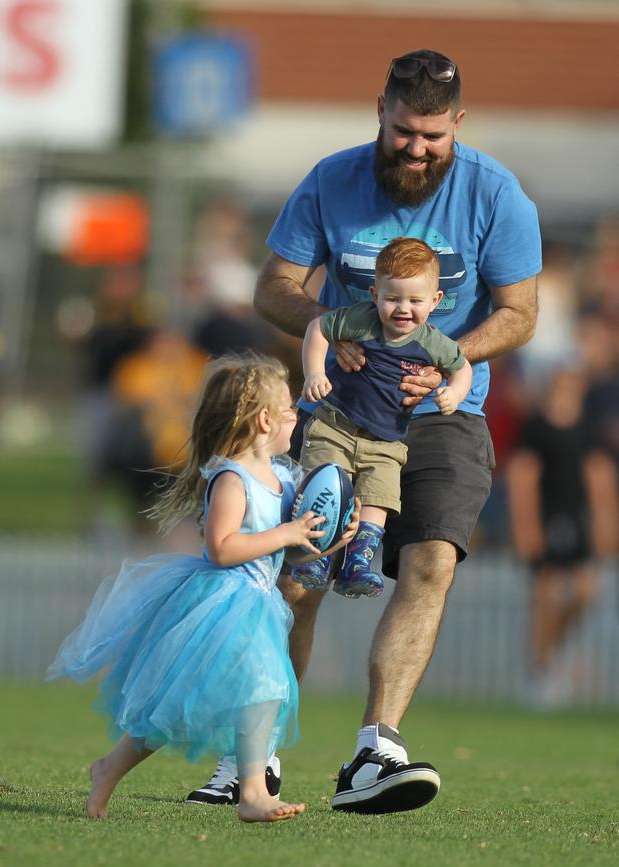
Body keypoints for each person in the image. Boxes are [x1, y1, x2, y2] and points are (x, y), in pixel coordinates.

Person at [226, 46, 539, 814]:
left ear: (457, 124)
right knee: (300, 572)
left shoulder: (496, 195)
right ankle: (258, 758)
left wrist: (450, 360)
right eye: (405, 130)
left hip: (442, 413)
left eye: (434, 135)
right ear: (382, 111)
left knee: (432, 560)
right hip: (339, 413)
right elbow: (273, 287)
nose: (417, 148)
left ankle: (376, 749)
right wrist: (330, 330)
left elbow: (520, 312)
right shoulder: (332, 180)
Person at [48, 353, 358, 823]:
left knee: (265, 690)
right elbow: (222, 548)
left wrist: (330, 538)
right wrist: (287, 534)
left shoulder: (285, 478)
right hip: (221, 603)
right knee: (174, 708)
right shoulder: (231, 479)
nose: (298, 414)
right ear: (264, 420)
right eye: (290, 409)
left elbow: (289, 553)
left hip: (259, 604)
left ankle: (252, 792)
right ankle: (109, 769)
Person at [293, 237, 472, 598]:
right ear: (375, 295)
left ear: (435, 301)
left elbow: (462, 366)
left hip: (386, 442)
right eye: (393, 298)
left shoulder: (432, 342)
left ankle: (356, 564)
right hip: (336, 427)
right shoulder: (362, 320)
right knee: (325, 491)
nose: (403, 309)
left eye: (415, 301)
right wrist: (314, 372)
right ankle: (317, 556)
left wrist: (454, 392)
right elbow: (318, 329)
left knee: (378, 500)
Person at [506, 367, 619, 705]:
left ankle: (550, 656)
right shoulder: (536, 428)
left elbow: (600, 478)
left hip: (576, 518)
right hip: (547, 517)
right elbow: (521, 478)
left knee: (585, 591)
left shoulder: (587, 430)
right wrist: (526, 527)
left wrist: (605, 523)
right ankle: (539, 672)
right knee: (545, 595)